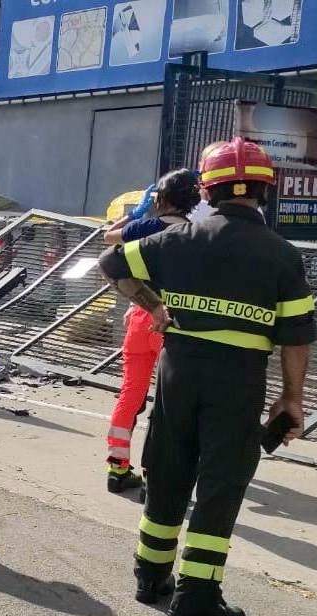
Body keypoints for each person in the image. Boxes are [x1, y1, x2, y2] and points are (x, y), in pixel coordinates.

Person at [99, 137, 315, 616]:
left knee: (168, 468)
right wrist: (292, 397)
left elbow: (111, 264)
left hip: (178, 370)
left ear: (206, 191)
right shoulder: (281, 255)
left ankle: (151, 575)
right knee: (220, 482)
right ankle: (197, 594)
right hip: (237, 380)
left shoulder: (176, 240)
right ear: (265, 189)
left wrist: (154, 306)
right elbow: (297, 334)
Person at [101, 169, 202, 495]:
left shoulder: (146, 227)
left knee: (131, 393)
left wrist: (135, 213)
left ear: (160, 199)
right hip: (171, 322)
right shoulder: (194, 234)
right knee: (166, 402)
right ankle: (153, 476)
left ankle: (117, 469)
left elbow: (108, 238)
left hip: (139, 316)